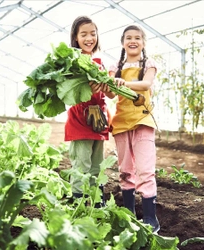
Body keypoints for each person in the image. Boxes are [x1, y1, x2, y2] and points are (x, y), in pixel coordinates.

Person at [107, 25, 160, 233]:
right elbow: (111, 94)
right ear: (122, 43)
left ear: (143, 43)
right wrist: (110, 83)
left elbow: (146, 85)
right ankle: (129, 214)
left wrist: (122, 83)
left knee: (146, 170)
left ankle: (150, 218)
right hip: (121, 123)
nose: (133, 41)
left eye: (137, 38)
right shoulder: (115, 65)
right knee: (125, 170)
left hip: (143, 121)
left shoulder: (149, 64)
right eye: (128, 37)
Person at [65, 16, 112, 207]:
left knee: (96, 166)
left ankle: (95, 202)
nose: (89, 38)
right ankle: (79, 204)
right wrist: (88, 90)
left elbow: (109, 94)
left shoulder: (100, 63)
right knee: (81, 165)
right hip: (80, 121)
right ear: (76, 38)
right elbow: (69, 96)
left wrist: (108, 85)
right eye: (83, 34)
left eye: (93, 33)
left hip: (98, 120)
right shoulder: (71, 63)